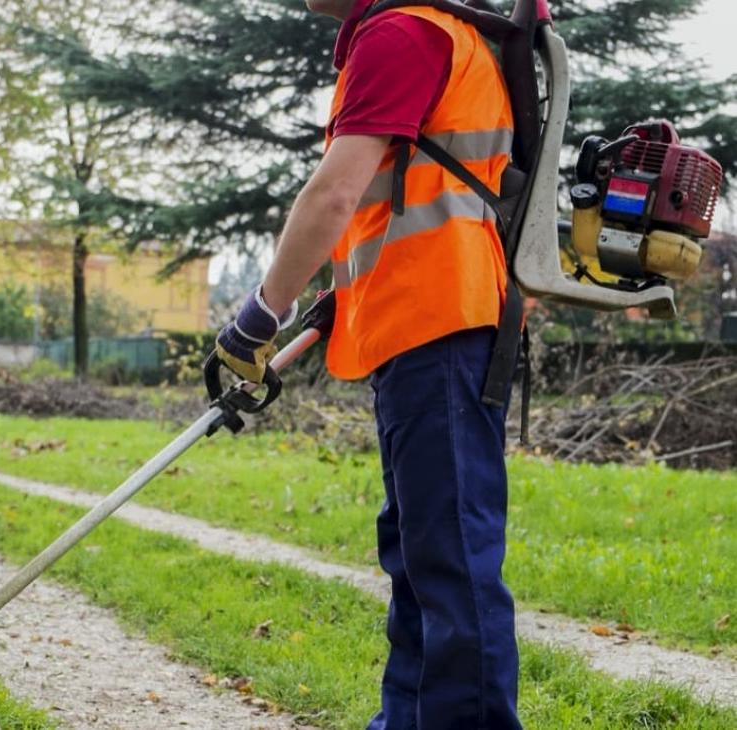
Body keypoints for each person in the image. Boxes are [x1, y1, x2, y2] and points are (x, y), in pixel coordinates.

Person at [212, 0, 521, 727]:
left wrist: (261, 314)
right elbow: (397, 202)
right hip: (422, 326)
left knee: (449, 565)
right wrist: (340, 290)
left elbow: (334, 193)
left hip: (440, 322)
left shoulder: (402, 33)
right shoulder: (419, 32)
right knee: (418, 560)